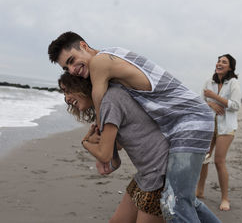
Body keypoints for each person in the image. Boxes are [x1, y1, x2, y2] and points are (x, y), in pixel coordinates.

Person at [48, 31, 221, 223]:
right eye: (67, 67)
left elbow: (98, 95)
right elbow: (117, 147)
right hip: (181, 123)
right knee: (184, 200)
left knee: (176, 204)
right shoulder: (113, 65)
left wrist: (100, 126)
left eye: (72, 60)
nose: (71, 69)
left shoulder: (100, 62)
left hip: (190, 121)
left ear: (83, 46)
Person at [58, 72, 169, 223]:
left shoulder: (110, 101)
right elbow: (115, 155)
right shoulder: (108, 101)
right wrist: (96, 141)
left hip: (160, 172)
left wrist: (85, 143)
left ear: (81, 85)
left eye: (68, 90)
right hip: (148, 172)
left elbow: (105, 156)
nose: (66, 98)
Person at [196, 54, 241, 211]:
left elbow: (236, 105)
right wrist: (210, 104)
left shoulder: (233, 83)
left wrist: (214, 97)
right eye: (219, 61)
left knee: (219, 161)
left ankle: (225, 198)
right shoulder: (209, 82)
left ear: (230, 67)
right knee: (204, 158)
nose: (219, 63)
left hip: (226, 127)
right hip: (208, 124)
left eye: (224, 62)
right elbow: (200, 102)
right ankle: (199, 191)